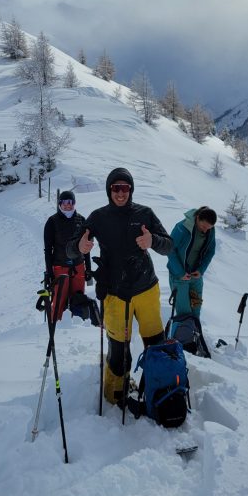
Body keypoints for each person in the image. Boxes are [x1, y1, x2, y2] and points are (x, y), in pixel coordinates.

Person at [68, 167, 172, 406]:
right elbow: (72, 247)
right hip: (115, 294)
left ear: (131, 190)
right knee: (118, 351)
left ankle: (157, 388)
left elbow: (169, 246)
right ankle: (115, 394)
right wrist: (79, 247)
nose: (121, 193)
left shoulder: (145, 213)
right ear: (109, 190)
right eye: (116, 188)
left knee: (156, 344)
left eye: (125, 188)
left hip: (146, 289)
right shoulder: (98, 217)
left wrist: (153, 241)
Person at [44, 190, 94, 324]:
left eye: (70, 202)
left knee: (78, 298)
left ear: (74, 203)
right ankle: (56, 325)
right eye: (64, 202)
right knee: (59, 300)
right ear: (60, 204)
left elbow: (86, 248)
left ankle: (77, 327)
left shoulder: (82, 220)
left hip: (78, 266)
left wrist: (88, 269)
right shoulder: (52, 222)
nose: (68, 205)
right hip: (60, 267)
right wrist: (49, 272)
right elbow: (48, 250)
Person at [167, 206, 217, 319]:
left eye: (209, 228)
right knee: (184, 314)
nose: (205, 230)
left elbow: (210, 251)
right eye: (204, 226)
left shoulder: (210, 230)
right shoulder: (182, 228)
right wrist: (180, 273)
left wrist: (201, 270)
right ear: (197, 218)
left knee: (195, 312)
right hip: (179, 276)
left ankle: (194, 335)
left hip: (196, 276)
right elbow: (170, 249)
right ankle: (182, 336)